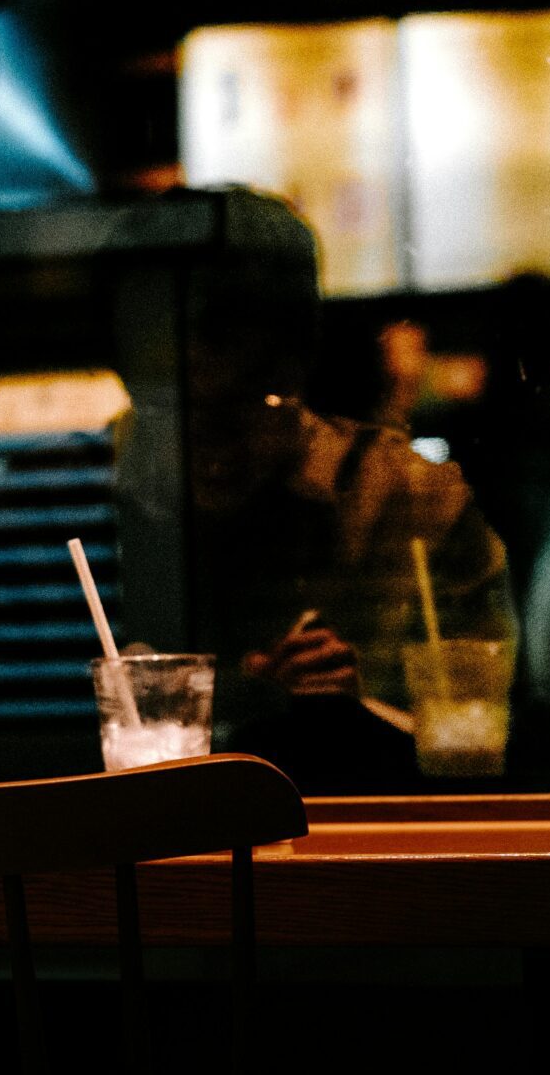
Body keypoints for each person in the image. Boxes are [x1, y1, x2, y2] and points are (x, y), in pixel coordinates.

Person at [181, 187, 517, 791]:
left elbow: (500, 714)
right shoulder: (77, 494)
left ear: (295, 368)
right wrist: (238, 698)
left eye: (238, 413)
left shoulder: (410, 499)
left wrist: (363, 702)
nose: (204, 458)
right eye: (168, 415)